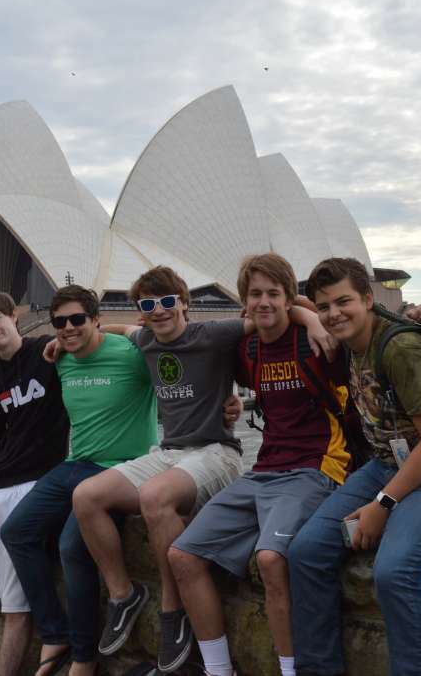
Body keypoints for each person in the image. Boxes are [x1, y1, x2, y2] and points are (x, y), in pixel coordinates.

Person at [68, 266, 333, 672]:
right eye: (149, 305)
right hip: (170, 452)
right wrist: (64, 341)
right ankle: (124, 596)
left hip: (216, 452)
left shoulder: (214, 334)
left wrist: (311, 315)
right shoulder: (146, 339)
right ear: (141, 311)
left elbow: (269, 313)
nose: (159, 311)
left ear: (185, 304)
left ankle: (172, 613)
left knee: (155, 497)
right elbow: (123, 331)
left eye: (168, 302)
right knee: (85, 496)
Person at [288, 258, 421, 676]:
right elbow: (280, 300)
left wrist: (383, 504)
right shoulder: (351, 340)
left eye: (344, 301)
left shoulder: (401, 348)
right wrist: (303, 313)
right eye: (324, 306)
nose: (333, 314)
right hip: (390, 465)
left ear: (367, 299)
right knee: (305, 552)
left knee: (394, 570)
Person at [168, 254, 352, 676]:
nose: (265, 302)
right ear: (244, 302)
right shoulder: (247, 349)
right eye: (256, 294)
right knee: (182, 555)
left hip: (316, 468)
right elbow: (192, 346)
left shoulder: (315, 340)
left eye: (274, 293)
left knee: (271, 559)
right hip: (264, 470)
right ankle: (219, 670)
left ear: (289, 298)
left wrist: (310, 318)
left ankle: (290, 671)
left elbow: (354, 331)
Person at [0, 285, 159, 676]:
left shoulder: (130, 355)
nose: (68, 328)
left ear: (95, 319)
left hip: (120, 469)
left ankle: (84, 660)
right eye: (60, 322)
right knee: (15, 532)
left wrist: (228, 403)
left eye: (77, 319)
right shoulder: (60, 359)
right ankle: (56, 635)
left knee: (73, 545)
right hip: (75, 465)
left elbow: (183, 373)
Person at [0, 292, 71, 676]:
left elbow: (95, 343)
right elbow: (1, 432)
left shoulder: (48, 352)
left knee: (15, 605)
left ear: (14, 316)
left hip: (36, 486)